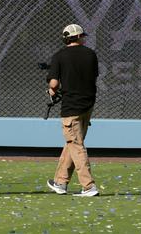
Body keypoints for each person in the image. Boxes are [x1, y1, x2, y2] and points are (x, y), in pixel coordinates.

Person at [45, 23, 99, 198]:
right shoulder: (91, 54)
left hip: (71, 107)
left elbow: (54, 84)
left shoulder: (59, 56)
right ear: (80, 37)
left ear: (66, 38)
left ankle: (88, 186)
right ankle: (61, 182)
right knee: (73, 143)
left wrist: (51, 90)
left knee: (76, 145)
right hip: (88, 105)